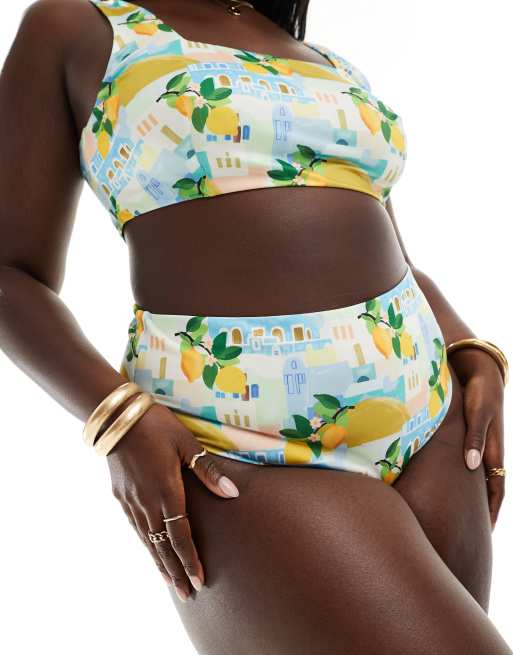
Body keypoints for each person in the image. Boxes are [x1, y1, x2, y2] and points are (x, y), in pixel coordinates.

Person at [0, 0, 510, 653]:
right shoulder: (80, 26)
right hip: (236, 445)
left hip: (431, 422)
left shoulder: (325, 62)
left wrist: (471, 348)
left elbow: (393, 256)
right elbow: (10, 274)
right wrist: (117, 418)